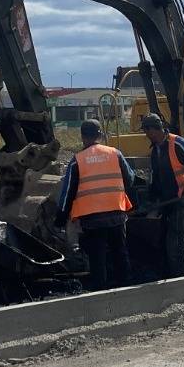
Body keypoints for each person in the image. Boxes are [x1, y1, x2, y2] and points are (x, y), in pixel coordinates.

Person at [55, 119, 136, 290]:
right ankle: (127, 287)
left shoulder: (78, 160)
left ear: (83, 137)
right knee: (120, 253)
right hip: (117, 214)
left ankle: (100, 293)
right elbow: (130, 179)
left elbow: (67, 192)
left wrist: (60, 219)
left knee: (97, 258)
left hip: (92, 219)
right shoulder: (115, 153)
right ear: (100, 135)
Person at [141, 113, 184, 277]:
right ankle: (170, 276)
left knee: (175, 243)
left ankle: (183, 279)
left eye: (146, 131)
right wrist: (151, 201)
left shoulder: (177, 143)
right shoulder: (156, 150)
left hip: (183, 201)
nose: (145, 135)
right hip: (168, 202)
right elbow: (157, 178)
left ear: (154, 130)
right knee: (164, 240)